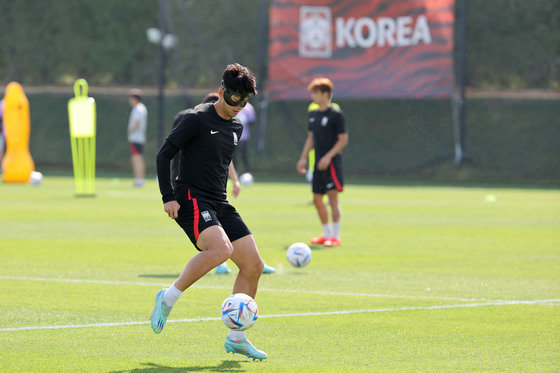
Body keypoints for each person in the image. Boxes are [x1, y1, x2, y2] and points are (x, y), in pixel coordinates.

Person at [152, 63, 268, 361]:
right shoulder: (195, 118)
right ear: (220, 92)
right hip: (190, 198)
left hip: (219, 201)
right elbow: (164, 154)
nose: (238, 107)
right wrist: (168, 197)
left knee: (253, 265)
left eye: (244, 102)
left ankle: (237, 338)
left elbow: (219, 162)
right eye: (233, 99)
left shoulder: (236, 126)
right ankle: (168, 297)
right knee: (221, 250)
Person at [170, 93, 275, 276]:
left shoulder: (232, 125)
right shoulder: (191, 119)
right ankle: (217, 262)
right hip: (187, 185)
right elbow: (170, 150)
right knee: (213, 236)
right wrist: (170, 194)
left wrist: (234, 180)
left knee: (224, 229)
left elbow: (225, 158)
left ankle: (252, 261)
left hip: (214, 190)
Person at [297, 78, 348, 247]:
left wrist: (328, 157)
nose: (312, 96)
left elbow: (343, 139)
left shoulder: (336, 115)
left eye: (315, 93)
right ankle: (326, 234)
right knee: (317, 199)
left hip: (332, 164)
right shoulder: (314, 114)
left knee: (332, 200)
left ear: (325, 94)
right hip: (317, 164)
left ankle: (335, 236)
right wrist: (303, 158)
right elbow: (311, 138)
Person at [127, 89, 148, 187]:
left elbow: (137, 121)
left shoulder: (138, 108)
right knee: (138, 158)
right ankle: (139, 180)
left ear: (134, 98)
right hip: (138, 138)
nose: (130, 101)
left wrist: (131, 130)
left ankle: (139, 181)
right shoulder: (140, 108)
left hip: (136, 138)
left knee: (137, 159)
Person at [232, 101, 255, 174]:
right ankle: (235, 173)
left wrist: (246, 120)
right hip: (233, 136)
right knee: (233, 157)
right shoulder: (232, 105)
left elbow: (253, 121)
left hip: (244, 137)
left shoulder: (248, 107)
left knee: (244, 156)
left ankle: (248, 173)